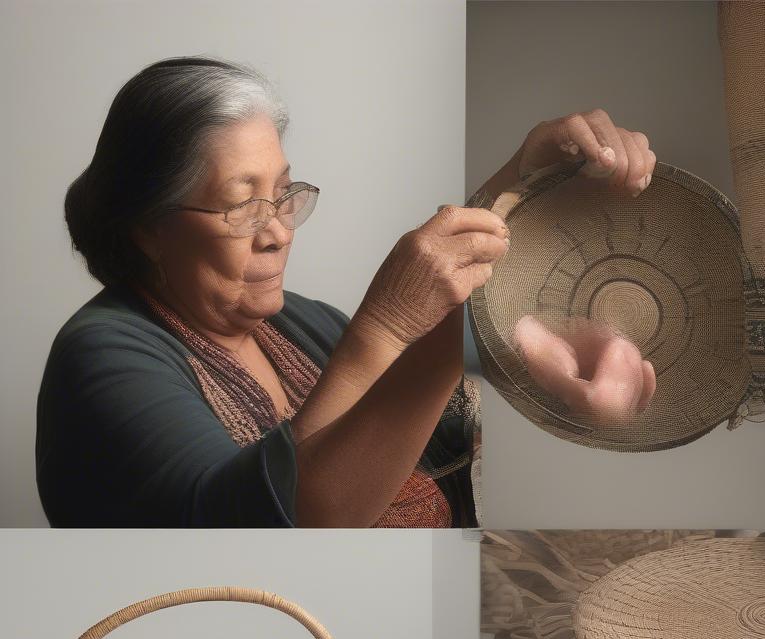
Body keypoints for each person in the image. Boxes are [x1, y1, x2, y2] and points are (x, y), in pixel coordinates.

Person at [38, 57, 655, 526]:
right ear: (149, 228)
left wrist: (525, 178)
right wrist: (394, 325)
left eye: (282, 193)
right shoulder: (103, 358)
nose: (278, 230)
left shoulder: (299, 326)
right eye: (239, 204)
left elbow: (429, 394)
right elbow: (274, 527)